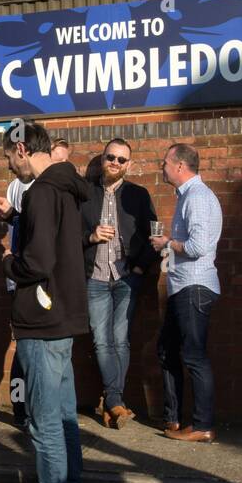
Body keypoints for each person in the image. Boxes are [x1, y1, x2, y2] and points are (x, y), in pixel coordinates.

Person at [0, 123, 93, 483]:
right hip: (65, 314)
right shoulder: (64, 188)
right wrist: (17, 215)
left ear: (21, 148)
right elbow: (55, 235)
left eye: (8, 158)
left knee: (44, 417)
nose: (9, 166)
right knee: (65, 413)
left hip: (41, 318)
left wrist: (4, 263)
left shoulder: (41, 191)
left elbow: (36, 262)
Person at [0, 137, 72, 429]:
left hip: (38, 288)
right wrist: (12, 215)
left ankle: (26, 411)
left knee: (32, 361)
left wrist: (10, 262)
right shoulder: (23, 187)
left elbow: (41, 253)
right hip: (28, 287)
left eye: (61, 161)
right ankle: (19, 407)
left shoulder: (47, 190)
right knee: (21, 359)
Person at [80, 138, 157, 428]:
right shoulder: (85, 192)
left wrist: (138, 268)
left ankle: (113, 400)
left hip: (126, 277)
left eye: (121, 160)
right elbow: (70, 233)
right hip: (95, 277)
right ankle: (115, 403)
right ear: (102, 159)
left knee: (121, 340)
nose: (115, 163)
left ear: (129, 165)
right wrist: (91, 236)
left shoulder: (138, 194)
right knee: (101, 341)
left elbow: (154, 233)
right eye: (111, 157)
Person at [150, 143, 222, 443]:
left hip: (195, 286)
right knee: (167, 349)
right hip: (184, 286)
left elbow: (198, 247)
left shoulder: (199, 197)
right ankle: (174, 419)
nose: (161, 167)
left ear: (180, 166)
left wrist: (167, 243)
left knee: (194, 356)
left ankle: (202, 425)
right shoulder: (188, 197)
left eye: (165, 162)